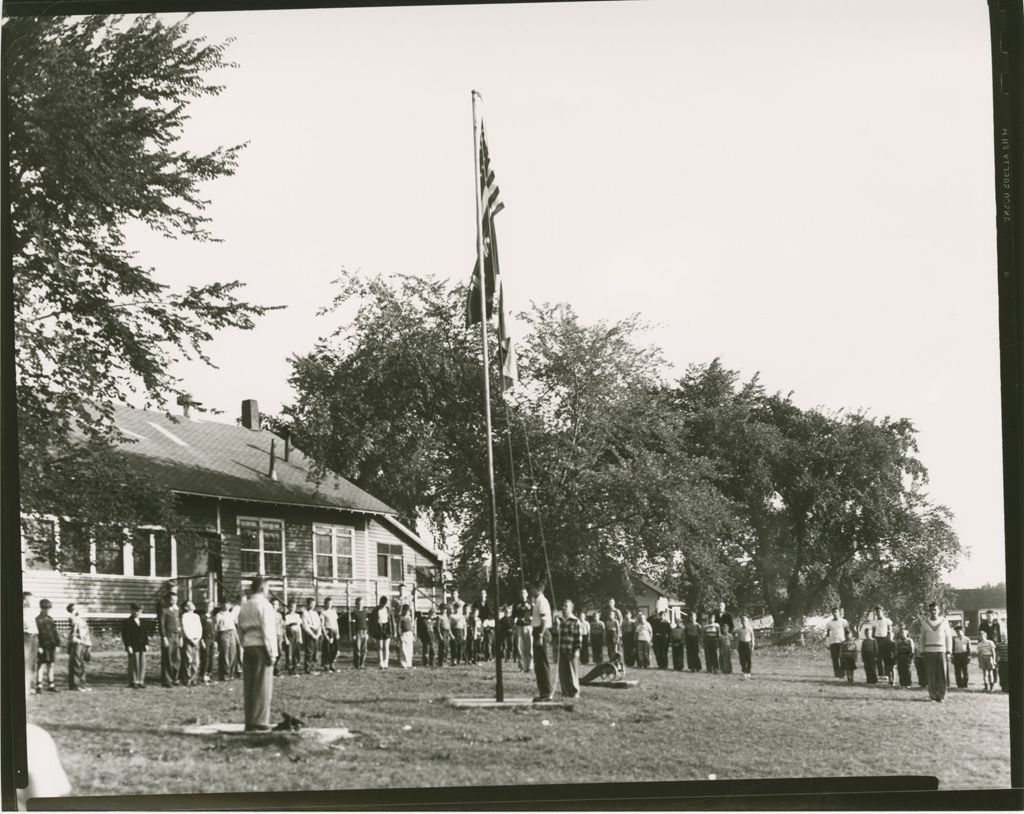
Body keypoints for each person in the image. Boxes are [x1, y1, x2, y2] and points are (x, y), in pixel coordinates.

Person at [237, 576, 278, 732]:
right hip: (261, 646)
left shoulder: (245, 605)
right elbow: (268, 630)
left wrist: (244, 643)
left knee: (250, 685)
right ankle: (260, 721)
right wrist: (272, 652)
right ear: (262, 589)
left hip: (248, 646)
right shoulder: (264, 605)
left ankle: (250, 720)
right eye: (268, 589)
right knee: (262, 684)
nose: (268, 592)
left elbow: (239, 627)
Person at [919, 602, 953, 702]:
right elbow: (922, 638)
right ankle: (933, 696)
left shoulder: (944, 621)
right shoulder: (925, 622)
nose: (933, 611)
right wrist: (922, 650)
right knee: (931, 674)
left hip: (941, 650)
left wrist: (949, 651)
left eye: (935, 610)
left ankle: (942, 696)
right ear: (929, 611)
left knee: (942, 674)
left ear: (938, 610)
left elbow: (948, 637)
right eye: (931, 610)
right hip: (929, 651)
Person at [531, 579, 554, 702]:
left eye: (532, 588)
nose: (531, 591)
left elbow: (544, 620)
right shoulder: (537, 601)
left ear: (537, 588)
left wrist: (540, 635)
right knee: (538, 665)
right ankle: (543, 693)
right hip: (538, 632)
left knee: (543, 664)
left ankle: (547, 693)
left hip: (542, 633)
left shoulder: (542, 601)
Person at [156, 582, 182, 688]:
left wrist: (180, 636)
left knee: (177, 658)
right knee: (167, 657)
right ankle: (167, 680)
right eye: (171, 600)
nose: (173, 602)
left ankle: (175, 678)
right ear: (167, 600)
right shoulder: (164, 609)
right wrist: (164, 637)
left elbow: (179, 623)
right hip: (168, 635)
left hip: (176, 635)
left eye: (175, 600)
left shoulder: (177, 610)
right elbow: (161, 625)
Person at [557, 599, 582, 699]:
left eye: (566, 606)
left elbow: (578, 638)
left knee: (573, 672)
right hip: (561, 650)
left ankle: (575, 691)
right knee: (563, 673)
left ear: (571, 608)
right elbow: (555, 635)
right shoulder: (559, 620)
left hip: (572, 651)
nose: (563, 608)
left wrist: (577, 650)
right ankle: (565, 691)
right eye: (563, 606)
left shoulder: (575, 621)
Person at [35, 599, 60, 693]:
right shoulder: (37, 620)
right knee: (40, 665)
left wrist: (57, 644)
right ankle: (39, 685)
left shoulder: (50, 619)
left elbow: (55, 633)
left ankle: (51, 684)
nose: (48, 610)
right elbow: (36, 634)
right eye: (46, 608)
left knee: (51, 665)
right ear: (42, 608)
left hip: (51, 646)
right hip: (42, 646)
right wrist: (38, 646)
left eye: (49, 608)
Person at [122, 603, 149, 689]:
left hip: (142, 645)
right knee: (134, 663)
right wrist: (128, 645)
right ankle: (133, 681)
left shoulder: (142, 622)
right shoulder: (127, 622)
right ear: (132, 611)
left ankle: (141, 681)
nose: (137, 613)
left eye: (139, 611)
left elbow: (145, 634)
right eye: (136, 611)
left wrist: (146, 643)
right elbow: (125, 635)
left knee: (142, 663)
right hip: (133, 645)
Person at [67, 603, 92, 692]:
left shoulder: (82, 620)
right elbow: (71, 620)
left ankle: (82, 684)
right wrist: (73, 612)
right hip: (76, 643)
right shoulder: (73, 619)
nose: (79, 609)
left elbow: (87, 632)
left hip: (84, 643)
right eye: (76, 608)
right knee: (76, 664)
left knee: (82, 665)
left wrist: (89, 645)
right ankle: (75, 685)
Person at [216, 599, 240, 680]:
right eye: (225, 604)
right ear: (221, 605)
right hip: (224, 633)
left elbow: (234, 626)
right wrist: (217, 638)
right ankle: (224, 673)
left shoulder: (231, 614)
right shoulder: (219, 615)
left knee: (232, 653)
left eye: (228, 604)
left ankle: (231, 673)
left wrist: (237, 638)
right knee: (225, 654)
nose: (227, 606)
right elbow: (216, 627)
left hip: (232, 633)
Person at [823, 608, 850, 679]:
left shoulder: (844, 621)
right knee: (835, 659)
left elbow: (847, 632)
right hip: (833, 643)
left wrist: (847, 641)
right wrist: (827, 643)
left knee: (842, 658)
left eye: (836, 612)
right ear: (832, 613)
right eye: (833, 612)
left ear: (839, 613)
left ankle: (843, 674)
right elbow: (828, 634)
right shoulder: (829, 623)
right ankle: (837, 674)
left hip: (842, 642)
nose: (835, 614)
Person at [180, 600, 202, 686]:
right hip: (189, 640)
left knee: (196, 660)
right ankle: (187, 678)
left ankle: (194, 678)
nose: (193, 605)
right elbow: (185, 628)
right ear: (186, 607)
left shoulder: (196, 616)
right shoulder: (184, 616)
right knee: (188, 659)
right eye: (190, 604)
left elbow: (200, 628)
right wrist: (190, 639)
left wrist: (198, 638)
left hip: (196, 640)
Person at [871, 606, 894, 684]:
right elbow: (873, 633)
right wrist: (874, 641)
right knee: (878, 659)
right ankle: (881, 676)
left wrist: (889, 640)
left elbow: (890, 631)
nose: (878, 613)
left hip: (885, 640)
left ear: (882, 612)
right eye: (876, 612)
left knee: (886, 659)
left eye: (879, 611)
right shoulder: (874, 622)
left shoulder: (887, 620)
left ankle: (888, 676)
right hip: (877, 640)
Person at [512, 588, 533, 672]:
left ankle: (530, 666)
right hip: (519, 626)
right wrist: (515, 620)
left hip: (528, 626)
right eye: (521, 593)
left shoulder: (530, 603)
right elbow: (513, 615)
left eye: (524, 593)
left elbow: (534, 613)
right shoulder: (516, 604)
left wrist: (531, 618)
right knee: (520, 647)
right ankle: (522, 667)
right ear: (519, 595)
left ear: (527, 594)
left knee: (529, 647)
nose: (523, 594)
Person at [300, 597, 322, 675]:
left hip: (316, 632)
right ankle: (308, 669)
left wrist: (318, 633)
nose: (312, 606)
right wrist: (312, 634)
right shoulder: (304, 613)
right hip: (309, 633)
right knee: (309, 651)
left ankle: (313, 667)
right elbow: (305, 626)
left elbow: (319, 624)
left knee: (315, 651)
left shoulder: (315, 613)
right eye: (310, 604)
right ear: (307, 604)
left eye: (313, 604)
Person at [23, 592, 38, 696]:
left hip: (34, 637)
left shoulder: (33, 612)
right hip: (26, 637)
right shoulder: (22, 612)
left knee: (33, 664)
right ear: (24, 601)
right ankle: (25, 687)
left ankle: (32, 686)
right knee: (26, 663)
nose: (33, 601)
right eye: (30, 599)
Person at [283, 599, 303, 675]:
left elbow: (299, 627)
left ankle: (294, 667)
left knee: (296, 652)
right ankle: (289, 668)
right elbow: (284, 628)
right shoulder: (285, 616)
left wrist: (300, 637)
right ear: (288, 607)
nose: (292, 608)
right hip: (289, 635)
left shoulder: (297, 615)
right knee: (289, 652)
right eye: (291, 607)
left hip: (296, 634)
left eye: (294, 607)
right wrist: (285, 638)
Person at [200, 602, 218, 684]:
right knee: (205, 657)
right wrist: (202, 640)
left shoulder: (213, 617)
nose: (208, 608)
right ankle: (203, 674)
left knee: (211, 658)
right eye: (207, 606)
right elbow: (200, 629)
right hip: (205, 639)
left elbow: (214, 630)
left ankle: (209, 674)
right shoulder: (202, 617)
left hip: (212, 639)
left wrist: (215, 641)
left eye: (210, 606)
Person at [320, 597, 339, 672]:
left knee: (334, 649)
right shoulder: (323, 612)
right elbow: (322, 624)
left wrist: (338, 633)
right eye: (327, 603)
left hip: (334, 631)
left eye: (330, 603)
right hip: (328, 631)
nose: (329, 605)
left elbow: (336, 623)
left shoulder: (333, 612)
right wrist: (325, 634)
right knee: (327, 649)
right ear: (325, 604)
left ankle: (332, 664)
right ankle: (326, 665)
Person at [951, 624, 972, 688]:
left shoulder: (966, 639)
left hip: (964, 655)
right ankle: (959, 684)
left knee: (965, 670)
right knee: (957, 671)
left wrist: (968, 656)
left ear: (963, 631)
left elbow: (969, 648)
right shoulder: (954, 639)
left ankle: (965, 684)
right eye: (957, 632)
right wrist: (952, 656)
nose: (958, 633)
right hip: (957, 656)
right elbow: (952, 648)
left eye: (960, 631)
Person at [350, 597, 369, 669]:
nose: (360, 605)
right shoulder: (354, 613)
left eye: (361, 603)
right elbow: (353, 624)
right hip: (357, 632)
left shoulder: (365, 612)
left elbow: (367, 623)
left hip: (364, 632)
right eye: (358, 604)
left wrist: (367, 633)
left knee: (364, 649)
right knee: (357, 649)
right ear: (356, 604)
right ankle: (356, 665)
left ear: (363, 604)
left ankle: (362, 664)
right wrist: (353, 634)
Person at [268, 598, 285, 677]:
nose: (275, 606)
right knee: (271, 652)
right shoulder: (268, 614)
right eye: (273, 604)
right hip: (271, 635)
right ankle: (269, 670)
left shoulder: (279, 615)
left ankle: (277, 669)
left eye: (276, 604)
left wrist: (283, 636)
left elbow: (282, 626)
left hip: (279, 635)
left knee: (279, 652)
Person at [374, 596, 392, 669]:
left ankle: (386, 662)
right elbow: (372, 621)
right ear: (380, 603)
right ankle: (381, 662)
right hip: (379, 628)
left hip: (386, 628)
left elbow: (391, 621)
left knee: (386, 647)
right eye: (382, 604)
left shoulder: (388, 610)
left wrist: (392, 630)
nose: (383, 606)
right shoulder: (376, 610)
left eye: (385, 604)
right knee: (380, 647)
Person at [398, 604, 415, 668]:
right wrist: (399, 635)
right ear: (403, 610)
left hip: (409, 634)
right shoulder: (401, 618)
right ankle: (403, 663)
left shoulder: (409, 618)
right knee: (403, 649)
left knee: (409, 649)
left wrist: (413, 634)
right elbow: (398, 627)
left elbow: (411, 627)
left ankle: (409, 663)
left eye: (408, 611)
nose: (408, 612)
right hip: (404, 634)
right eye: (406, 611)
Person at [450, 601, 467, 665]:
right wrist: (451, 635)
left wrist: (465, 635)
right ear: (454, 608)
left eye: (458, 608)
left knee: (460, 646)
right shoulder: (452, 616)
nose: (457, 609)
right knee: (454, 646)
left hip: (461, 631)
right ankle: (453, 659)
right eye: (456, 608)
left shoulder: (462, 616)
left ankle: (459, 659)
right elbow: (449, 626)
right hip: (454, 631)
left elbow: (464, 626)